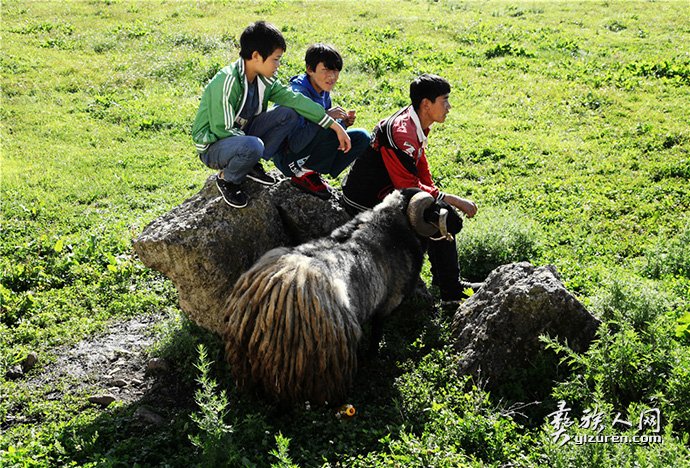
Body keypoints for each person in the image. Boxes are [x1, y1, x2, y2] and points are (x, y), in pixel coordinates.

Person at [342, 74, 478, 301]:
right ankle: (450, 290)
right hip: (365, 201)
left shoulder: (415, 122)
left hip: (388, 192)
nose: (449, 107)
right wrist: (452, 200)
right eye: (444, 101)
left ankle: (449, 285)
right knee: (442, 218)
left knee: (441, 213)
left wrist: (439, 197)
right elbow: (407, 187)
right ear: (426, 104)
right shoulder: (402, 132)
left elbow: (419, 164)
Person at [192, 21, 351, 208]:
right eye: (276, 59)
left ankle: (251, 163)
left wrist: (333, 125)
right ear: (256, 56)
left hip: (242, 137)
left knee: (288, 113)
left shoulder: (265, 80)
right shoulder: (227, 81)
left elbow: (296, 100)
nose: (278, 64)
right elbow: (222, 129)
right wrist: (252, 148)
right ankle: (227, 179)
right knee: (253, 145)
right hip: (215, 145)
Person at [272, 44, 370, 200]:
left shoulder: (323, 93)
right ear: (310, 69)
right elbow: (295, 143)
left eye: (336, 71)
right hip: (288, 157)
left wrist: (343, 124)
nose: (332, 77)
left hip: (307, 148)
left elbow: (325, 132)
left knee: (362, 137)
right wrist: (325, 117)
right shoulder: (297, 95)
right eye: (326, 70)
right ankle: (302, 173)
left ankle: (313, 172)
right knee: (326, 125)